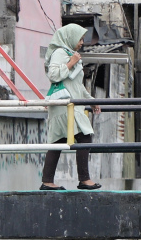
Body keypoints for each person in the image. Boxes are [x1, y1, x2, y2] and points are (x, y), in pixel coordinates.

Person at [41, 23, 101, 191]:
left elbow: (78, 86)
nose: (81, 42)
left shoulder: (68, 53)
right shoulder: (60, 53)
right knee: (84, 136)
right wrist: (71, 63)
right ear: (70, 37)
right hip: (65, 105)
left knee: (58, 141)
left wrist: (91, 100)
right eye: (80, 39)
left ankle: (47, 181)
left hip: (70, 105)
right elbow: (52, 75)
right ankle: (84, 179)